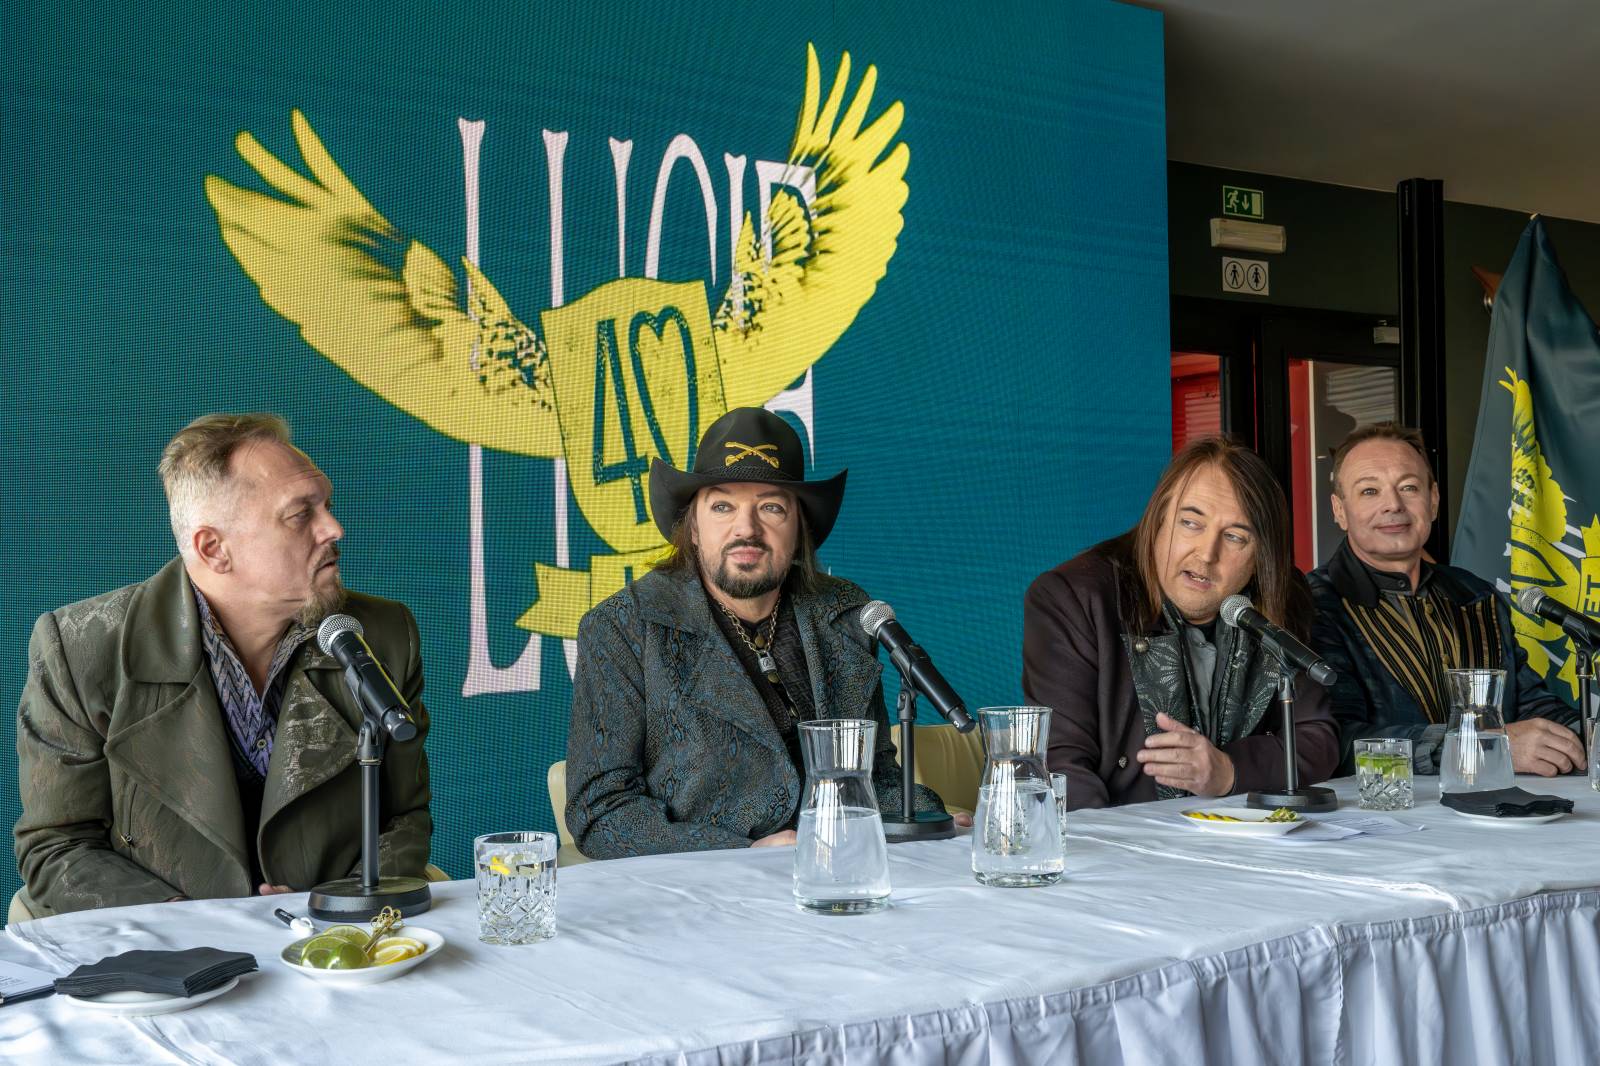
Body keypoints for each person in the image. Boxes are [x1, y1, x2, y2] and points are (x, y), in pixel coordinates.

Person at [14, 414, 432, 915]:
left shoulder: (382, 635)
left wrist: (339, 906)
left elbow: (403, 817)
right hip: (166, 960)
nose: (334, 529)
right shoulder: (80, 650)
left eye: (327, 506)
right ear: (214, 549)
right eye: (301, 515)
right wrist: (188, 922)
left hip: (329, 944)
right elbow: (56, 847)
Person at [565, 407, 955, 858]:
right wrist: (739, 851)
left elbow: (875, 777)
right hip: (700, 892)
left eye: (770, 507)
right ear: (692, 527)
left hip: (839, 872)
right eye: (723, 506)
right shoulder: (625, 627)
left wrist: (923, 816)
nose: (746, 529)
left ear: (799, 529)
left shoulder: (843, 613)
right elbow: (601, 812)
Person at [1023, 437, 1338, 808]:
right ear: (1157, 520)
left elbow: (1318, 736)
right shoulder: (1074, 597)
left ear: (1260, 558)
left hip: (1245, 838)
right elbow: (1061, 765)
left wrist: (1229, 771)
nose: (1206, 554)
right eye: (1190, 523)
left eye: (1235, 536)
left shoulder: (1280, 597)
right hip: (1128, 843)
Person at [1308, 422, 1585, 775]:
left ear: (1433, 500)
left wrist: (1585, 734)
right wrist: (1485, 747)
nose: (1393, 505)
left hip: (1501, 808)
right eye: (1369, 492)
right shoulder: (1315, 604)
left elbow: (1529, 704)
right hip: (1385, 818)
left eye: (1408, 487)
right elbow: (1336, 741)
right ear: (1339, 510)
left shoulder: (1475, 595)